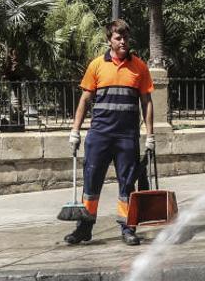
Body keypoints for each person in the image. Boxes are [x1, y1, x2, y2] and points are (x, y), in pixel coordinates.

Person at [66, 19, 155, 246]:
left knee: (127, 184)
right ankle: (84, 228)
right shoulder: (97, 65)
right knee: (91, 182)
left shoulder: (140, 67)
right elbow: (85, 100)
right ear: (110, 40)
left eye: (125, 37)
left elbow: (147, 102)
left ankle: (128, 228)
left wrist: (150, 134)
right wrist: (75, 130)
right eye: (118, 38)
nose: (123, 41)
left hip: (127, 136)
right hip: (100, 135)